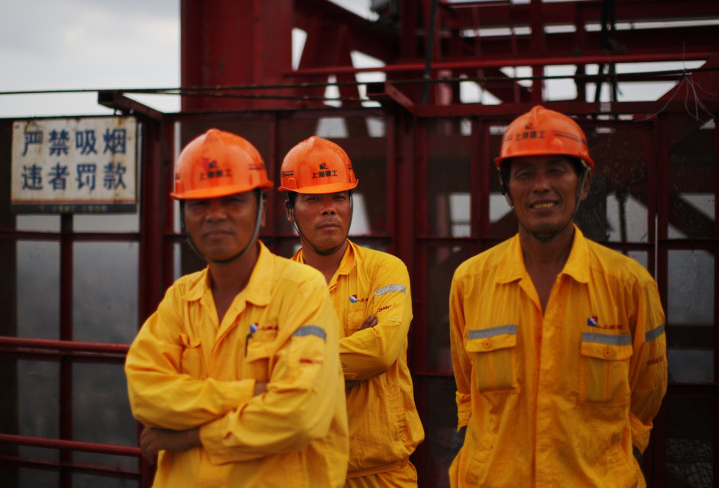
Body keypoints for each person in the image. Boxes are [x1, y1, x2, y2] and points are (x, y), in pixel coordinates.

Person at [448, 106, 668, 487]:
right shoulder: (471, 282)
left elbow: (648, 392)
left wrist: (620, 457)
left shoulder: (630, 285)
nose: (541, 186)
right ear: (506, 188)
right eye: (525, 174)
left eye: (556, 170)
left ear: (583, 184)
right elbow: (466, 388)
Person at [124, 129, 349, 487]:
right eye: (200, 204)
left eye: (232, 201)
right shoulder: (180, 299)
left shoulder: (301, 290)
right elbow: (145, 396)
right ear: (184, 215)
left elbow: (300, 414)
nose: (215, 215)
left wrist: (189, 436)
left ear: (260, 211)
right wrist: (250, 393)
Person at [278, 136, 424, 487]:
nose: (329, 209)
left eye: (339, 197)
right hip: (304, 473)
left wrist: (297, 365)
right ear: (289, 210)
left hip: (383, 473)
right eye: (314, 199)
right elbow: (258, 368)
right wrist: (357, 347)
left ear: (350, 204)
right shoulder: (276, 286)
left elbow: (381, 351)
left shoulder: (385, 270)